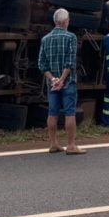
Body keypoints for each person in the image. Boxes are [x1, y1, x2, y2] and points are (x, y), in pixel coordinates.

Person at [37, 8, 86, 155]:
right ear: (65, 21)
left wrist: (53, 80)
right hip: (68, 81)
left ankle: (53, 144)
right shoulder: (71, 37)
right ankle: (71, 145)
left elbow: (41, 64)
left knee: (52, 113)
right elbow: (70, 62)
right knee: (69, 113)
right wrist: (62, 80)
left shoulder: (45, 39)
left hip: (51, 83)